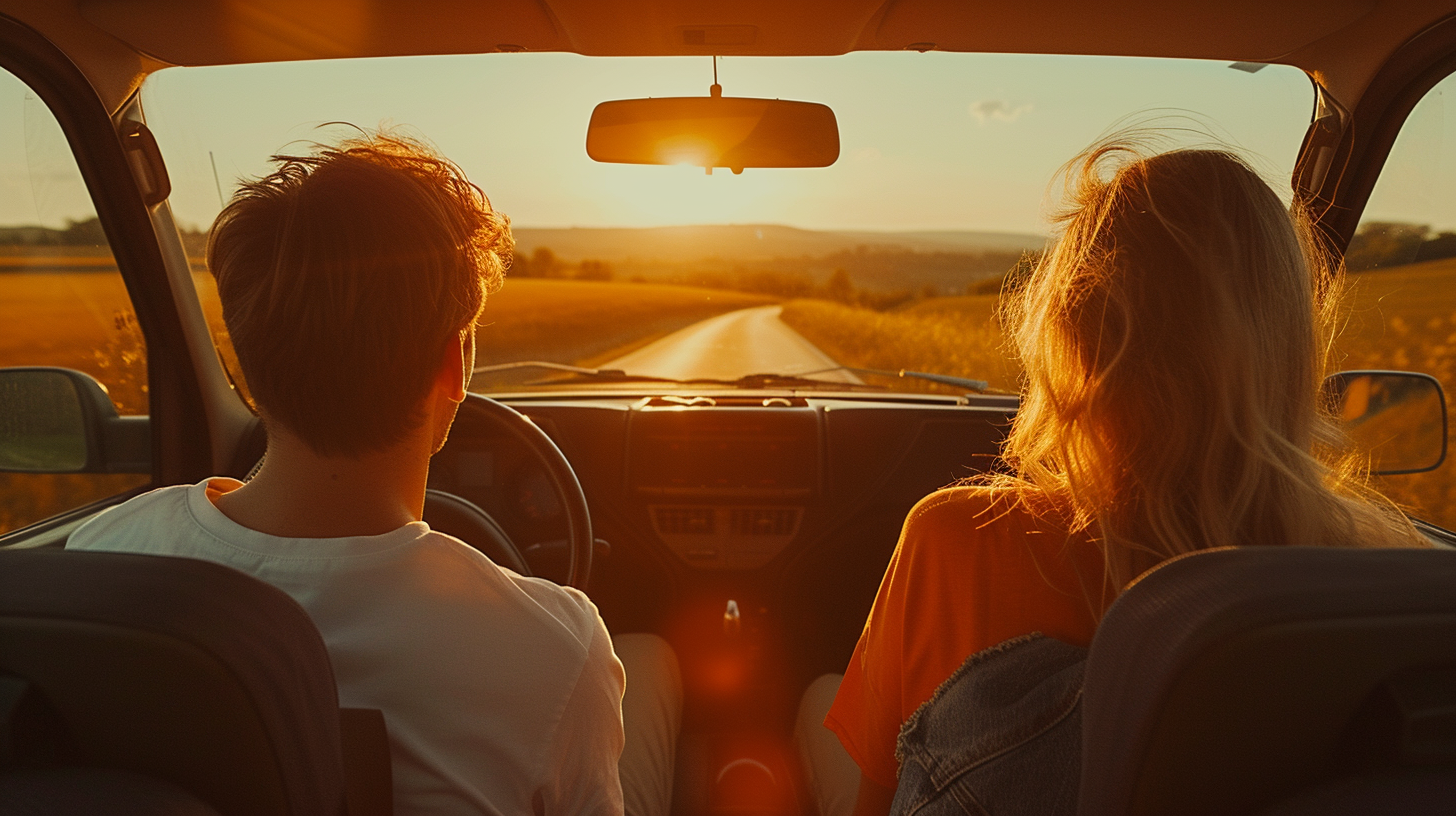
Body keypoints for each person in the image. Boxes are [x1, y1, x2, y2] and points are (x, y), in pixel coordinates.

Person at [795, 139, 1428, 816]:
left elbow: (881, 800)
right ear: (1289, 345)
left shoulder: (957, 539)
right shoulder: (1388, 590)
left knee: (814, 701)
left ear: (1074, 339)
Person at [67, 133, 681, 816]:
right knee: (653, 662)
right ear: (452, 364)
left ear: (245, 359)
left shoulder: (98, 559)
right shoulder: (556, 649)